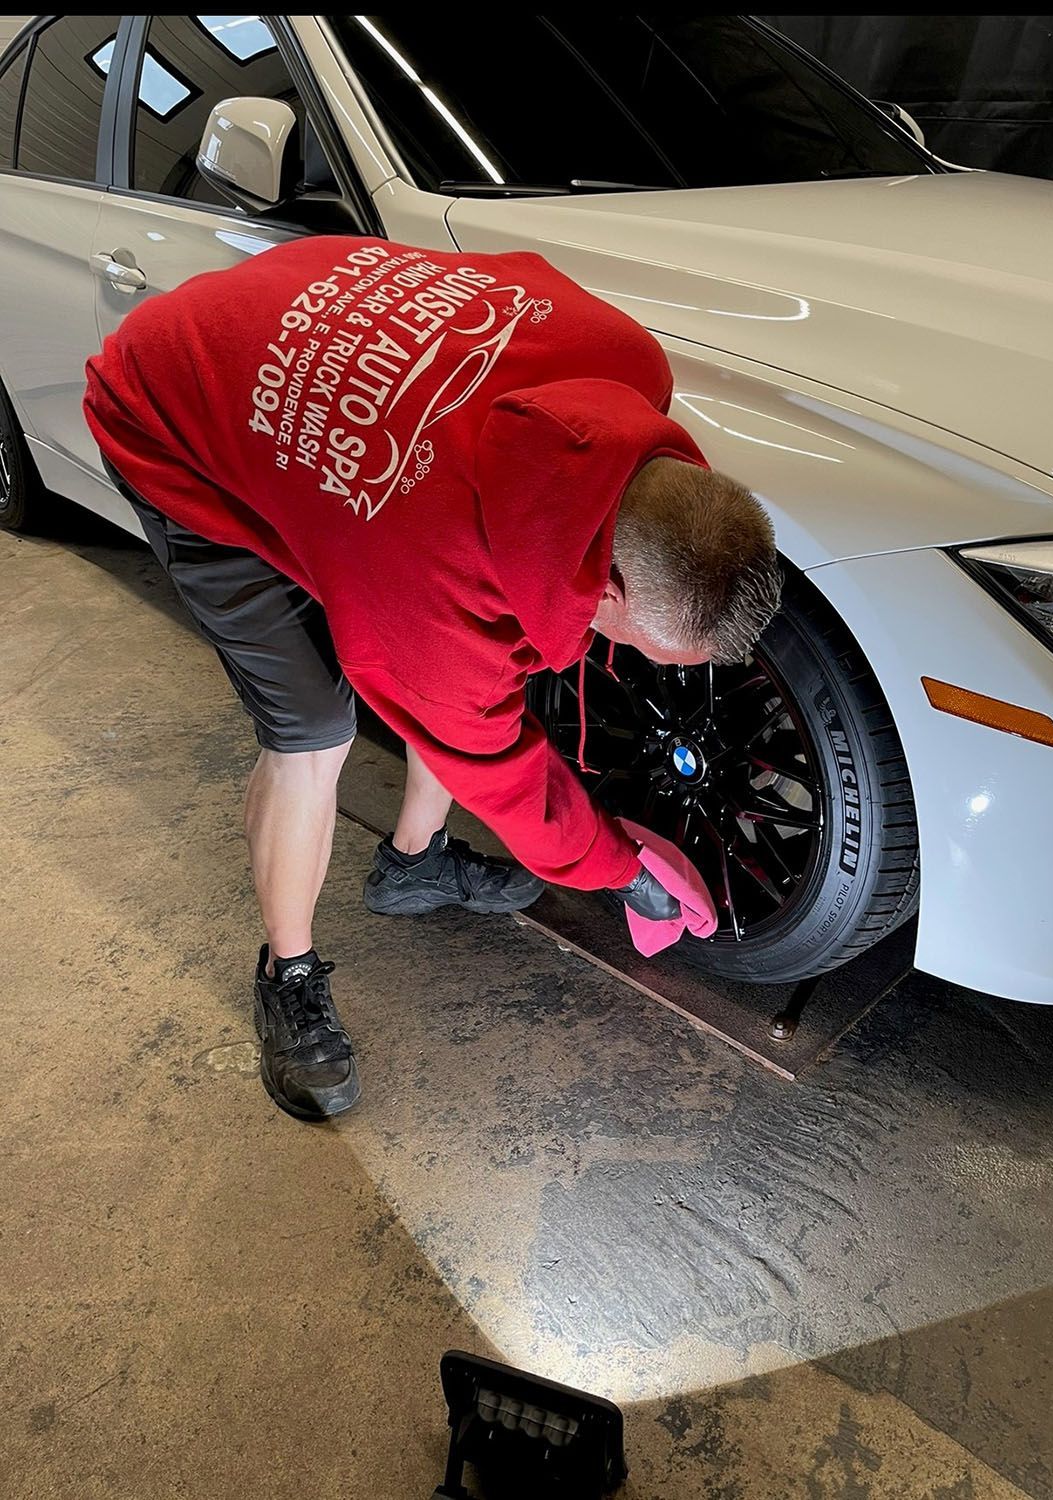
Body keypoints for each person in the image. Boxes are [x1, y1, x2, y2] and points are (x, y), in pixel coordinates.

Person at [84, 235, 781, 1123]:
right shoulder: (432, 594)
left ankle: (412, 868)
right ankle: (286, 976)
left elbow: (515, 274)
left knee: (483, 663)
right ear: (606, 585)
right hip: (171, 413)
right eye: (646, 648)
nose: (641, 666)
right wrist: (617, 867)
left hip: (293, 323)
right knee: (314, 735)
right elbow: (484, 747)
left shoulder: (625, 361)